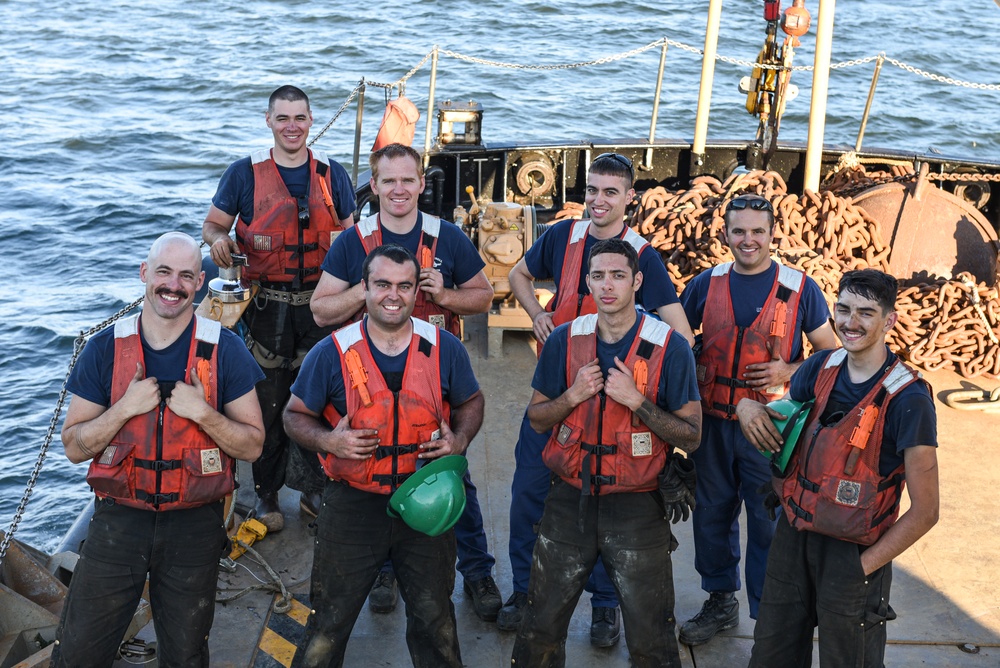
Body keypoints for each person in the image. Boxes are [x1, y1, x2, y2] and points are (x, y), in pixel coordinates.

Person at [500, 152, 695, 645]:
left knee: (607, 496)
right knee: (528, 496)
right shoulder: (562, 237)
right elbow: (518, 276)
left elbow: (681, 334)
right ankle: (525, 590)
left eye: (610, 192)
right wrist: (537, 316)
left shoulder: (642, 255)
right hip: (561, 389)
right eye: (591, 190)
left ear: (630, 198)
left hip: (615, 401)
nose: (598, 201)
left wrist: (643, 385)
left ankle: (605, 606)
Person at [51, 232, 265, 667]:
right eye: (164, 272)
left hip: (193, 525)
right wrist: (125, 409)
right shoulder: (105, 348)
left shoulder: (226, 349)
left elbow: (254, 444)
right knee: (78, 652)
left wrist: (203, 413)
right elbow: (74, 447)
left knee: (185, 654)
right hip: (118, 521)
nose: (174, 285)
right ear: (145, 273)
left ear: (200, 282)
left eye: (186, 275)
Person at [309, 142, 502, 621]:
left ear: (421, 184)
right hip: (371, 381)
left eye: (408, 180)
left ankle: (476, 571)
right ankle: (385, 570)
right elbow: (319, 310)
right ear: (373, 186)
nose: (399, 189)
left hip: (434, 378)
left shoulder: (448, 237)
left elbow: (484, 297)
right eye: (388, 181)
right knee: (378, 472)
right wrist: (365, 288)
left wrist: (447, 294)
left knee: (452, 470)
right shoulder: (353, 242)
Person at [284, 244, 485, 668]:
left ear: (417, 293)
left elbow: (471, 402)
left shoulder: (445, 348)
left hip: (426, 498)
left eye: (404, 286)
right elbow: (293, 416)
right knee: (329, 622)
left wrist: (460, 439)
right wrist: (329, 442)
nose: (392, 295)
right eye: (382, 285)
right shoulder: (331, 352)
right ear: (364, 288)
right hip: (352, 503)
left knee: (435, 621)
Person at [737, 269, 939, 667]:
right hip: (793, 540)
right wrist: (747, 407)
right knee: (771, 655)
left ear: (889, 321)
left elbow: (926, 511)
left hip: (855, 553)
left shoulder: (909, 400)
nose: (851, 322)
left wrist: (861, 568)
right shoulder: (819, 367)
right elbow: (778, 418)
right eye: (843, 309)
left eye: (866, 313)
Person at [678, 193, 839, 646]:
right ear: (725, 234)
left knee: (768, 518)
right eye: (739, 231)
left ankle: (770, 614)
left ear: (772, 234)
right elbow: (671, 336)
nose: (748, 240)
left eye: (757, 231)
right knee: (712, 512)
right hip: (711, 424)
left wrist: (790, 370)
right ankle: (720, 601)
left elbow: (833, 355)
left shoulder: (800, 288)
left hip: (771, 428)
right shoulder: (704, 284)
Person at [202, 85, 355, 532]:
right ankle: (266, 495)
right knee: (266, 404)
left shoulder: (333, 175)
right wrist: (219, 242)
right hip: (264, 310)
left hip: (322, 310)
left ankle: (315, 489)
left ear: (311, 121)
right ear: (268, 121)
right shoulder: (242, 175)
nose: (292, 126)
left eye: (300, 118)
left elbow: (351, 236)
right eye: (283, 118)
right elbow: (212, 225)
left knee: (319, 400)